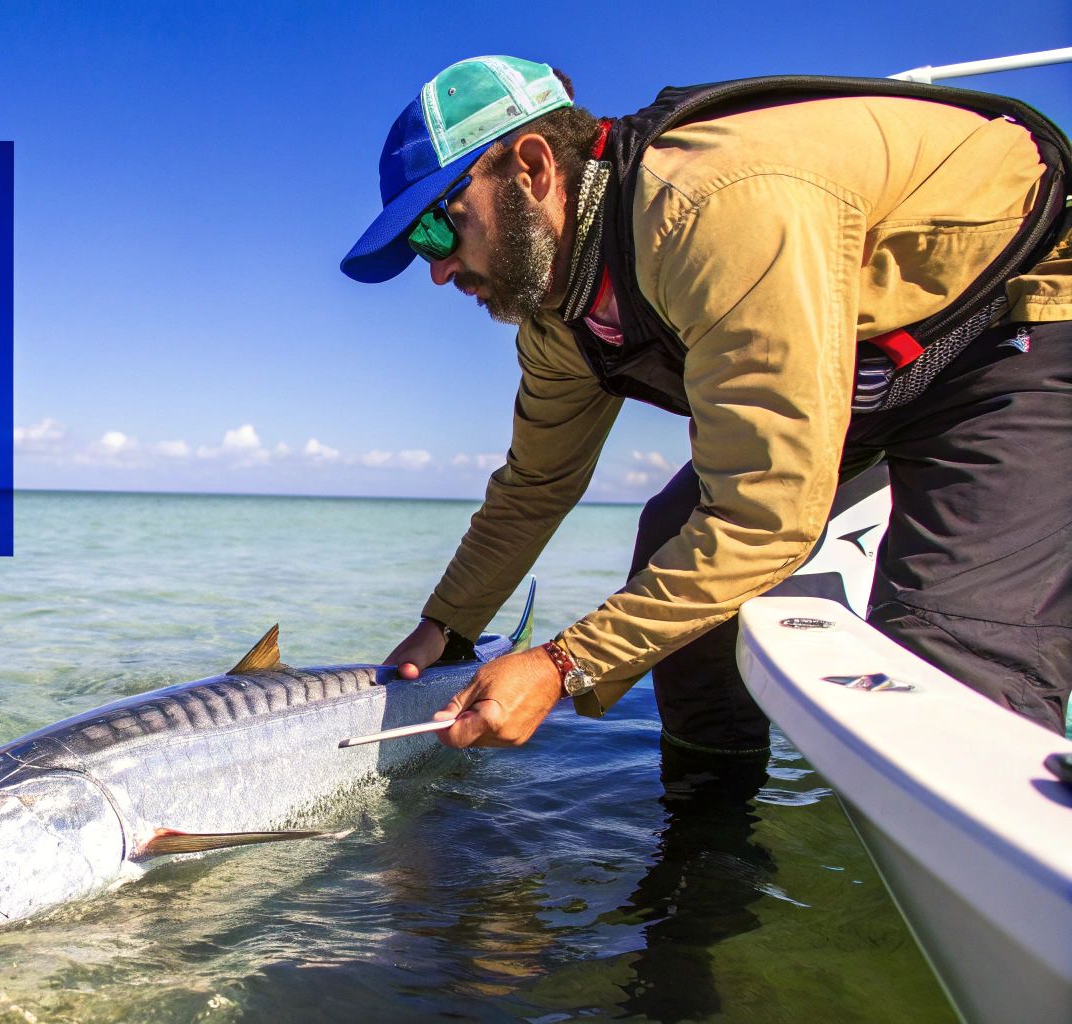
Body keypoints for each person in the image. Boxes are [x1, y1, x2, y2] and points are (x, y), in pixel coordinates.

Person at [341, 56, 1072, 750]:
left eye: (439, 226)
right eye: (417, 246)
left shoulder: (710, 213)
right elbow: (535, 487)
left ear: (530, 170)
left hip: (1012, 326)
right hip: (856, 369)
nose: (436, 270)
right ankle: (707, 831)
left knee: (949, 654)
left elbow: (762, 516)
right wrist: (446, 630)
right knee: (671, 540)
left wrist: (564, 665)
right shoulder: (558, 321)